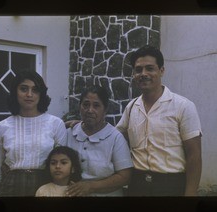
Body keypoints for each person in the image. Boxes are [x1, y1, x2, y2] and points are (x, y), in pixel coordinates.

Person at [116, 45, 202, 196]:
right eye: (138, 70)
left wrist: (190, 195)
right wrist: (85, 124)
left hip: (171, 186)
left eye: (150, 68)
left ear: (161, 70)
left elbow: (194, 155)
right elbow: (115, 135)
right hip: (137, 185)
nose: (143, 74)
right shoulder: (131, 108)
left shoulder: (183, 106)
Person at [0, 70, 67, 196]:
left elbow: (63, 163)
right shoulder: (3, 126)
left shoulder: (56, 124)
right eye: (24, 89)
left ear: (41, 94)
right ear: (15, 92)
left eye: (35, 90)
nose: (29, 94)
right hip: (11, 188)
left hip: (45, 187)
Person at [58, 86, 133, 196]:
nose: (90, 110)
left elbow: (125, 176)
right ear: (80, 106)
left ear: (105, 110)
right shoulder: (69, 133)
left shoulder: (115, 138)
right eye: (86, 105)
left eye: (96, 106)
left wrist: (91, 186)